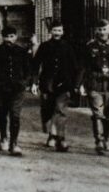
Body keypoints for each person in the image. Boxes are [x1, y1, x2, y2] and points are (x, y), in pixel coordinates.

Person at [80, 18, 109, 155]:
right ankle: (99, 140)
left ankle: (105, 139)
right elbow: (84, 66)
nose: (102, 32)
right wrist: (80, 85)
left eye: (104, 29)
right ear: (96, 31)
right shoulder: (90, 46)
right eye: (99, 30)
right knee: (97, 113)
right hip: (94, 84)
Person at [31, 21, 79, 153]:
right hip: (48, 84)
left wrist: (75, 85)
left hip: (64, 84)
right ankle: (51, 135)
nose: (57, 33)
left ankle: (61, 138)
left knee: (61, 110)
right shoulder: (45, 46)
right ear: (50, 32)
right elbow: (35, 65)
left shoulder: (68, 47)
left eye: (59, 30)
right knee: (49, 110)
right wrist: (34, 82)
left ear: (63, 32)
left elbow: (74, 67)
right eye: (55, 30)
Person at [0, 25, 31, 156]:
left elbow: (28, 70)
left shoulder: (22, 51)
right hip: (0, 89)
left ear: (16, 37)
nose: (9, 40)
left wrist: (25, 82)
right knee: (1, 115)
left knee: (15, 115)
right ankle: (3, 137)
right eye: (6, 37)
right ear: (2, 37)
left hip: (17, 90)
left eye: (11, 37)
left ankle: (14, 143)